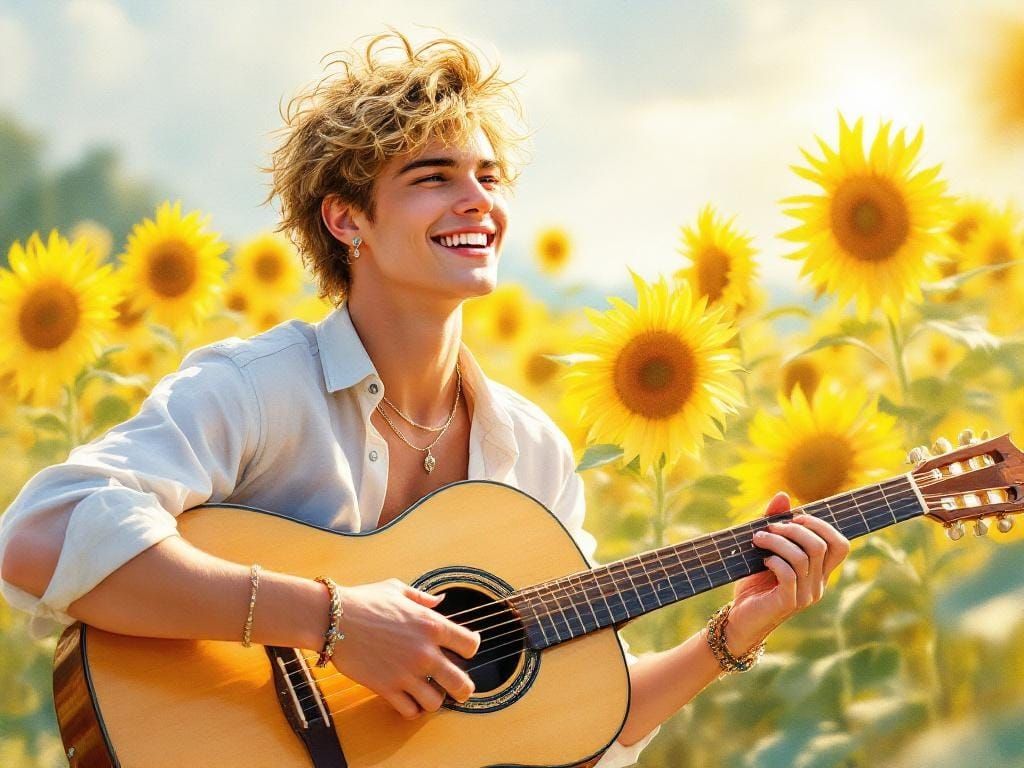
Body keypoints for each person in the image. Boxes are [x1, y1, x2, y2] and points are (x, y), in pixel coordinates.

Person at [0, 31, 850, 767]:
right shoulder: (256, 390)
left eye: (489, 175)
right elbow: (38, 538)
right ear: (347, 221)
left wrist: (733, 634)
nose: (478, 199)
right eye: (435, 177)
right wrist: (330, 620)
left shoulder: (531, 452)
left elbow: (580, 719)